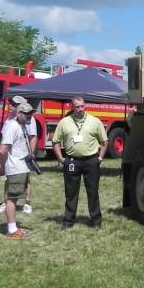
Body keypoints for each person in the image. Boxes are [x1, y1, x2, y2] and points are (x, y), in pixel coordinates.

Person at [53, 97, 107, 229]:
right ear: (71, 107)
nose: (81, 109)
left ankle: (96, 221)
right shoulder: (64, 122)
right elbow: (56, 142)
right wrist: (61, 159)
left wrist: (99, 158)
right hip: (72, 161)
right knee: (71, 192)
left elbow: (104, 141)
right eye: (77, 107)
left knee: (93, 191)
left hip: (91, 161)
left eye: (82, 106)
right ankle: (68, 221)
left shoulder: (95, 121)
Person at [0, 102, 35, 239]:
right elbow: (3, 149)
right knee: (11, 199)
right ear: (18, 113)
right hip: (15, 168)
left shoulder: (21, 125)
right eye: (27, 113)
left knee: (15, 198)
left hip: (21, 167)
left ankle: (14, 227)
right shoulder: (12, 126)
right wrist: (0, 167)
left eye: (31, 113)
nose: (30, 116)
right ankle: (11, 230)